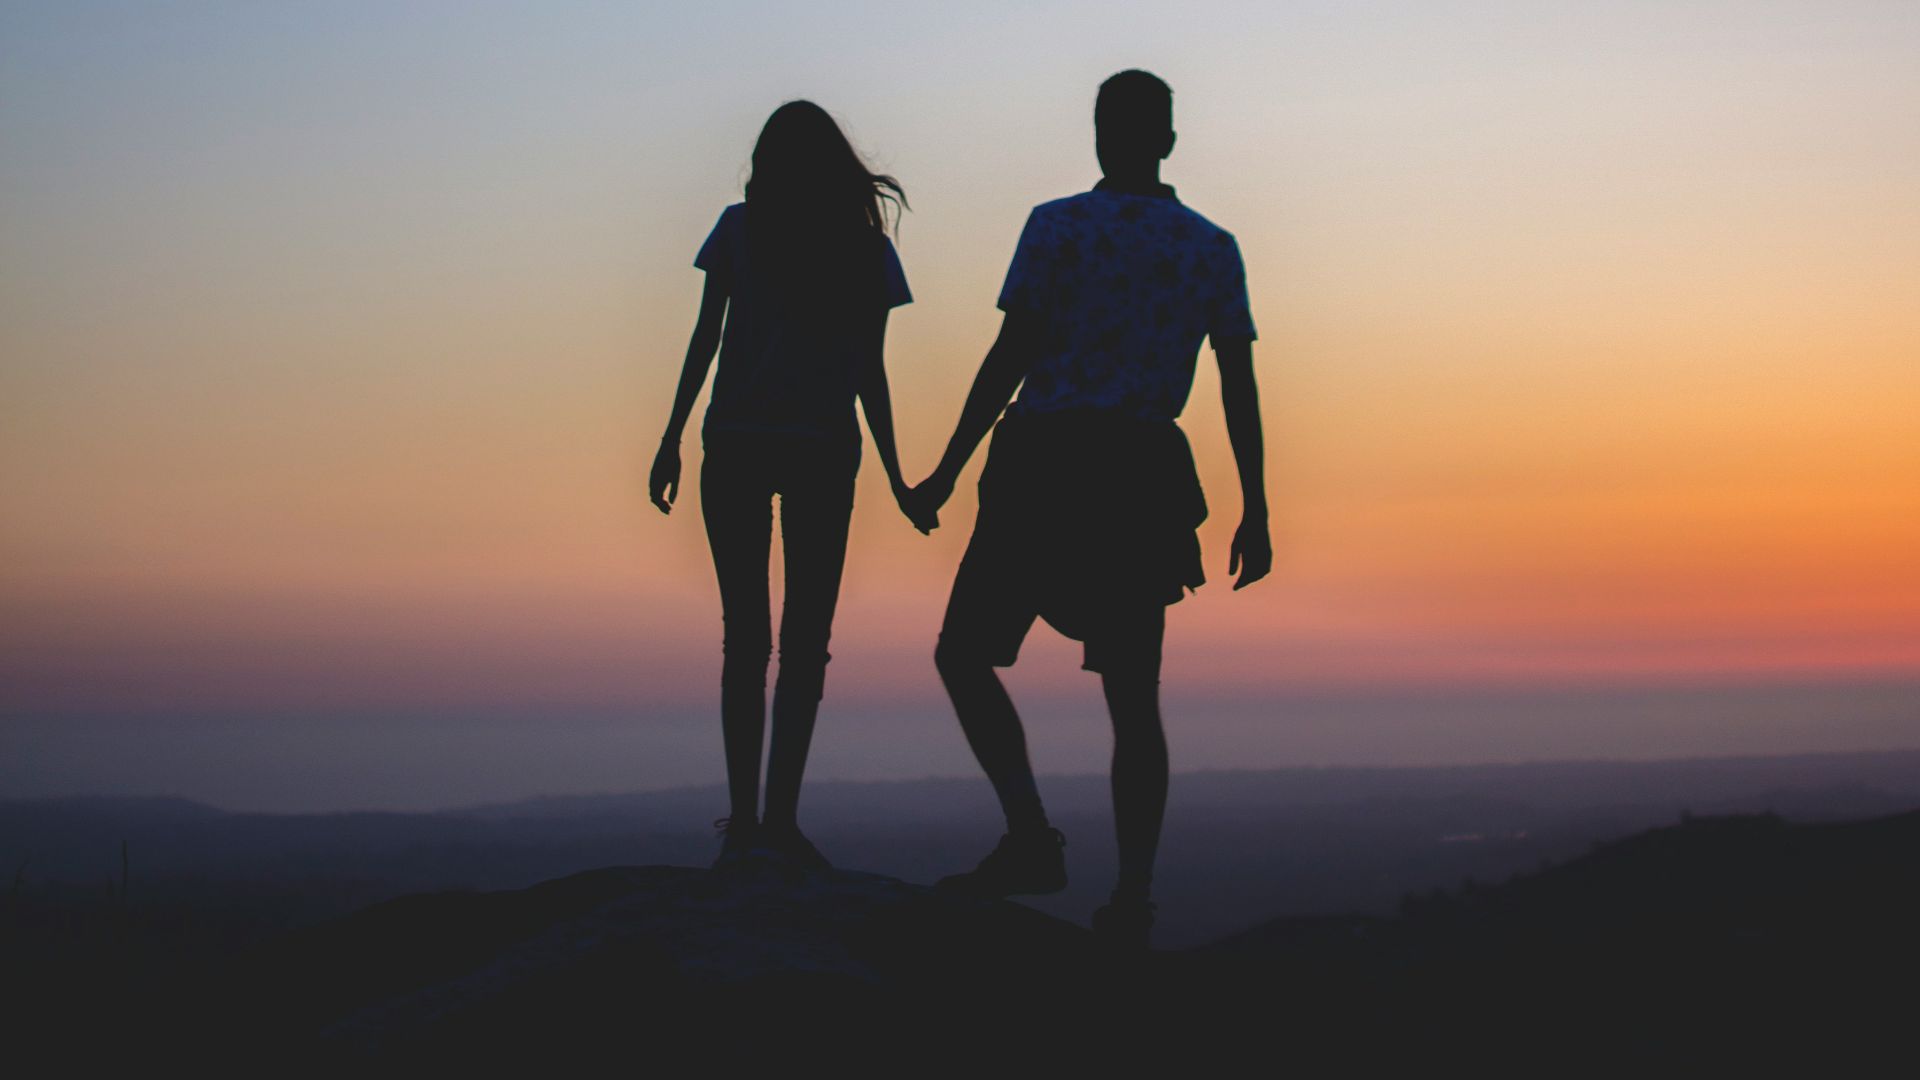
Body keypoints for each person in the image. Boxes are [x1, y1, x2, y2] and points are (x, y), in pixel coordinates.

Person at [907, 70, 1271, 948]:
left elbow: (1012, 353)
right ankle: (1132, 899)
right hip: (1139, 476)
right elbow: (1238, 385)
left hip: (1043, 463)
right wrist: (1256, 508)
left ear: (1102, 135)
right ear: (1169, 140)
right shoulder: (1209, 246)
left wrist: (948, 470)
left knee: (964, 654)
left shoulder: (1057, 226)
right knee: (1133, 698)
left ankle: (1032, 839)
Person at [651, 100, 932, 872]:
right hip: (820, 449)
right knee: (804, 644)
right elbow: (869, 372)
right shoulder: (863, 249)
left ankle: (748, 824)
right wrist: (898, 478)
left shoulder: (739, 229)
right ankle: (775, 822)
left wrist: (672, 437)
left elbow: (706, 339)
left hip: (737, 443)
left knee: (746, 639)